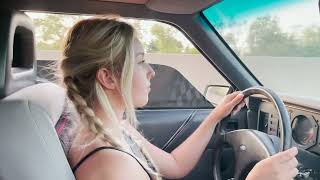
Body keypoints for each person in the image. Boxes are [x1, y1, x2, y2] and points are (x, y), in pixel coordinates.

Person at [59, 16, 299, 180]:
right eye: (141, 61)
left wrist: (214, 117)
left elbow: (175, 166)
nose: (151, 72)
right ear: (108, 78)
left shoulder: (114, 130)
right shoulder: (111, 164)